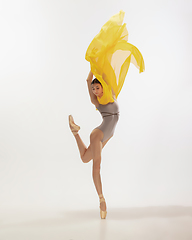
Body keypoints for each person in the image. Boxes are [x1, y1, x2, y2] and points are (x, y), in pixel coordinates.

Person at [69, 70, 119, 219]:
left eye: (97, 88)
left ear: (103, 87)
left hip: (108, 135)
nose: (95, 91)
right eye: (93, 89)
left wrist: (101, 67)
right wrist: (93, 66)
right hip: (99, 134)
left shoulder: (111, 93)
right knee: (96, 165)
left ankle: (75, 132)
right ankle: (102, 200)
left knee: (85, 158)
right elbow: (88, 80)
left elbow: (110, 74)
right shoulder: (97, 102)